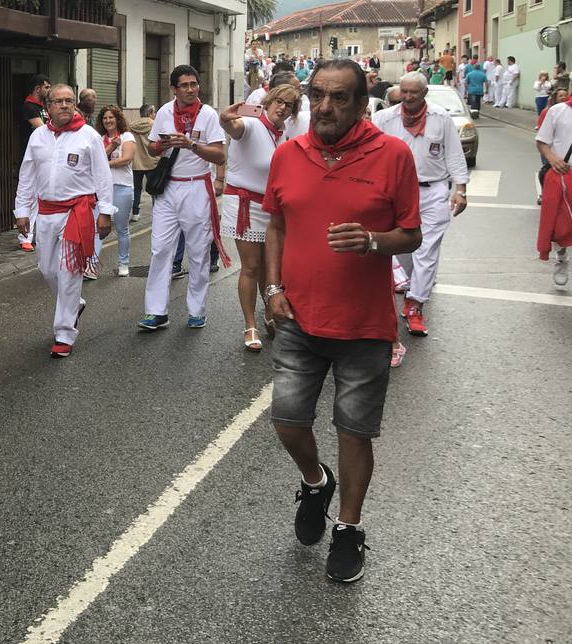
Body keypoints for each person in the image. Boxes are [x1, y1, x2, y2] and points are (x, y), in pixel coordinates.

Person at [262, 58, 422, 583]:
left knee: (354, 433)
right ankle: (315, 482)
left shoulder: (392, 154)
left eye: (339, 98)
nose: (325, 107)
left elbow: (412, 234)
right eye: (318, 95)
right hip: (298, 319)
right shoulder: (288, 154)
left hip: (364, 327)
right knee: (287, 419)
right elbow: (277, 225)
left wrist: (374, 242)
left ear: (360, 103)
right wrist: (273, 287)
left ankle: (349, 529)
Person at [14, 85, 114, 357]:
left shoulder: (89, 136)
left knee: (69, 272)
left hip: (77, 213)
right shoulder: (38, 137)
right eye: (59, 101)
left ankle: (64, 333)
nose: (65, 105)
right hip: (46, 213)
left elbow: (103, 177)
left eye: (70, 100)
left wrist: (105, 212)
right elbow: (27, 176)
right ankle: (75, 303)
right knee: (47, 270)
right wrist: (22, 211)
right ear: (48, 108)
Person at [373, 72, 469, 353]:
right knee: (402, 249)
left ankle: (415, 304)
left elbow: (453, 154)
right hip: (396, 193)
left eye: (414, 92)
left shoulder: (440, 118)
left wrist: (460, 188)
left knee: (427, 249)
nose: (408, 97)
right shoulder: (385, 119)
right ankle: (410, 287)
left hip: (433, 190)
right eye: (404, 91)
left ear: (424, 94)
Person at [138, 65, 228, 332]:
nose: (190, 89)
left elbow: (220, 156)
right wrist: (163, 145)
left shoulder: (208, 115)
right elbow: (154, 147)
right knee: (160, 250)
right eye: (184, 85)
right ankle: (156, 312)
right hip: (167, 190)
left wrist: (191, 145)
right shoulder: (165, 112)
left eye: (194, 84)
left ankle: (197, 311)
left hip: (197, 187)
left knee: (198, 252)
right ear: (174, 89)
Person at [217, 84, 300, 352]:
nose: (282, 108)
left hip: (271, 207)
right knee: (251, 267)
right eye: (278, 101)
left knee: (271, 266)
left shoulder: (282, 135)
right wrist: (224, 120)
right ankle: (250, 324)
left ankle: (268, 312)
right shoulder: (252, 125)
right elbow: (235, 129)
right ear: (268, 101)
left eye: (289, 105)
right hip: (244, 204)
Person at [536, 92, 572, 286]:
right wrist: (552, 158)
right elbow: (542, 141)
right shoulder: (558, 111)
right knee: (560, 225)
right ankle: (562, 256)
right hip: (563, 173)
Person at [97, 106, 136, 275]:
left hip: (122, 187)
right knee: (96, 228)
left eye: (111, 117)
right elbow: (94, 162)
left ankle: (123, 264)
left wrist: (105, 163)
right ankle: (91, 265)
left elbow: (126, 159)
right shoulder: (99, 139)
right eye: (105, 118)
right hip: (102, 188)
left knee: (121, 227)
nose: (108, 121)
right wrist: (109, 150)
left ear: (117, 119)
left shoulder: (127, 136)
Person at [18, 74, 52, 252]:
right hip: (31, 154)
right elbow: (43, 128)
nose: (48, 90)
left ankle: (38, 235)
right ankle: (25, 237)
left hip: (45, 155)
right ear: (37, 88)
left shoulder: (44, 107)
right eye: (46, 87)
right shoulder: (29, 106)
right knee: (30, 196)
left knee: (42, 196)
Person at [129, 104, 158, 220]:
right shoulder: (154, 125)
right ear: (150, 113)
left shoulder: (132, 126)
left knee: (137, 188)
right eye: (154, 112)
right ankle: (157, 212)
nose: (155, 114)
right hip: (152, 162)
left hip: (137, 162)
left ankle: (135, 213)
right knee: (154, 189)